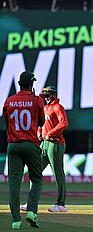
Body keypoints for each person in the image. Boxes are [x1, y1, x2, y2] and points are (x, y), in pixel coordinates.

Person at [2, 71, 45, 229]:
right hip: (30, 143)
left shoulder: (9, 100)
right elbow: (41, 122)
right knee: (37, 179)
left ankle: (15, 221)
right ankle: (32, 212)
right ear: (32, 84)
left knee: (14, 184)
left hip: (13, 145)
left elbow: (6, 122)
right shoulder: (36, 100)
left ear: (19, 83)